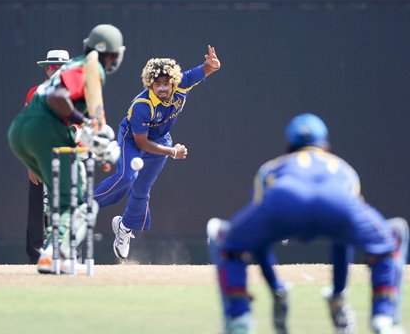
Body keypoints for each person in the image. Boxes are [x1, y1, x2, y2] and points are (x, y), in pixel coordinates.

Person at [206, 113, 408, 334]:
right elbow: (344, 237)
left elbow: (257, 241)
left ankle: (239, 319)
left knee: (224, 237)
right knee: (394, 236)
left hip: (284, 200)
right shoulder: (343, 167)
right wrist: (338, 292)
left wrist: (276, 288)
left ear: (288, 146)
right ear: (326, 145)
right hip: (337, 202)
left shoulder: (273, 167)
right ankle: (384, 319)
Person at [8, 24, 125, 274]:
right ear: (113, 54)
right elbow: (57, 99)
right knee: (82, 201)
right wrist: (84, 123)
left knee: (61, 199)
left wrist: (94, 135)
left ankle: (52, 253)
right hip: (47, 131)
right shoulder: (91, 66)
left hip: (20, 133)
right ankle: (56, 254)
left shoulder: (75, 64)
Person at [93, 46, 222, 260]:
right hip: (133, 140)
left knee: (142, 189)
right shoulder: (142, 105)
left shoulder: (182, 85)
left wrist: (212, 65)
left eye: (166, 83)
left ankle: (124, 227)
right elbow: (141, 142)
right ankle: (86, 207)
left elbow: (206, 69)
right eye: (157, 84)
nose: (162, 88)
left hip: (161, 140)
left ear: (173, 82)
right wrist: (172, 151)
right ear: (150, 84)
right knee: (128, 176)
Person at [24, 49, 70, 264]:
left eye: (60, 67)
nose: (55, 71)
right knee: (39, 208)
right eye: (51, 67)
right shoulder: (36, 92)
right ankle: (37, 255)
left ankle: (65, 252)